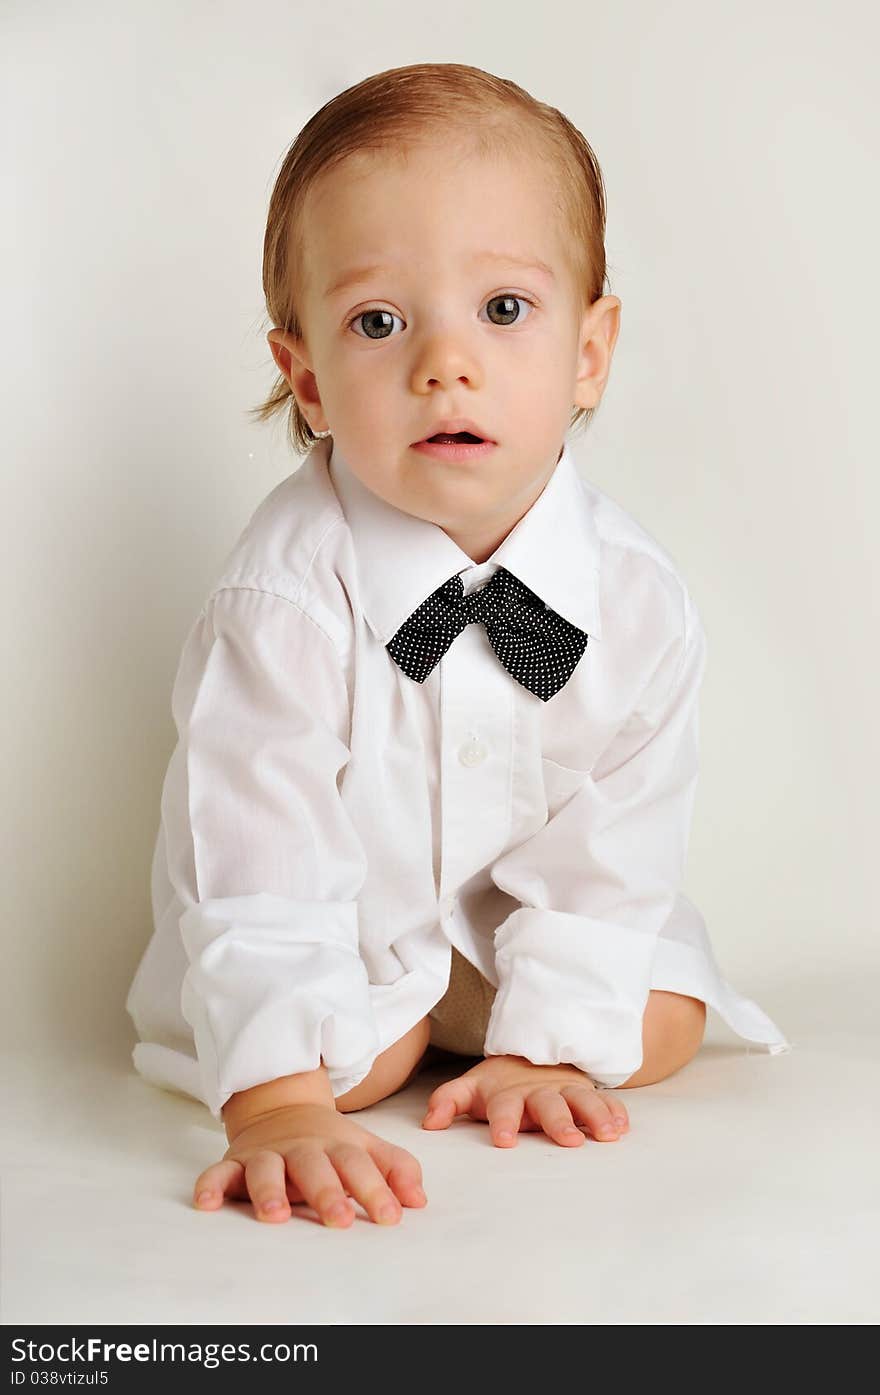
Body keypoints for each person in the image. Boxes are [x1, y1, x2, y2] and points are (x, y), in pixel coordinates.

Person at [126, 62, 791, 1230]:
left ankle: (504, 1032)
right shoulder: (285, 597)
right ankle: (384, 1033)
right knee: (356, 1060)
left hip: (505, 927)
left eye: (503, 310)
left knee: (660, 1014)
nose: (445, 363)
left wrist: (550, 1044)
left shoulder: (630, 599)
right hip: (339, 928)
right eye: (377, 323)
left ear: (589, 352)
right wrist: (277, 1105)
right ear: (308, 379)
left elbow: (614, 840)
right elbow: (253, 853)